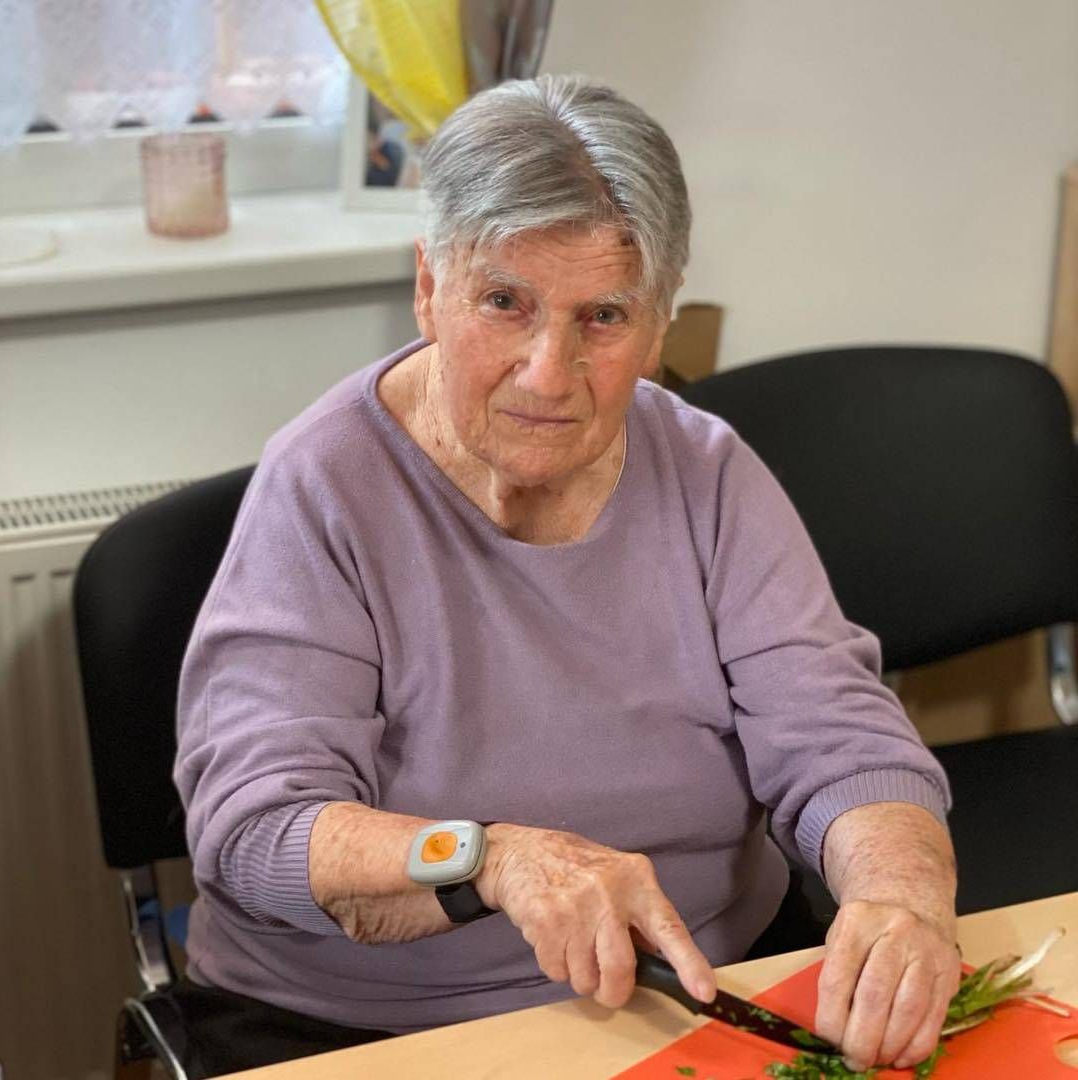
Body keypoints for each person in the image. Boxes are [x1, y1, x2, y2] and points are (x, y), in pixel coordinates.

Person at [175, 74, 959, 1076]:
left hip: (700, 996)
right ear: (429, 287)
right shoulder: (324, 488)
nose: (549, 373)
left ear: (660, 322)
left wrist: (901, 898)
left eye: (602, 317)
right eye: (505, 302)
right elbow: (255, 831)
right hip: (373, 1030)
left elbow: (842, 743)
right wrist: (492, 858)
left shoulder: (708, 472)